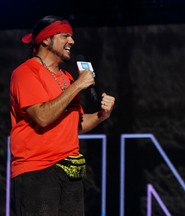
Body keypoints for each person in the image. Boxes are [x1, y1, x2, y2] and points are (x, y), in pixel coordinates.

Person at [9, 15, 115, 215]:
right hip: (37, 170)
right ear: (46, 40)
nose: (72, 41)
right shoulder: (25, 73)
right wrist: (77, 86)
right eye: (65, 36)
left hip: (70, 170)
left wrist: (103, 114)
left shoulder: (66, 77)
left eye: (72, 37)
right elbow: (42, 117)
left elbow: (78, 125)